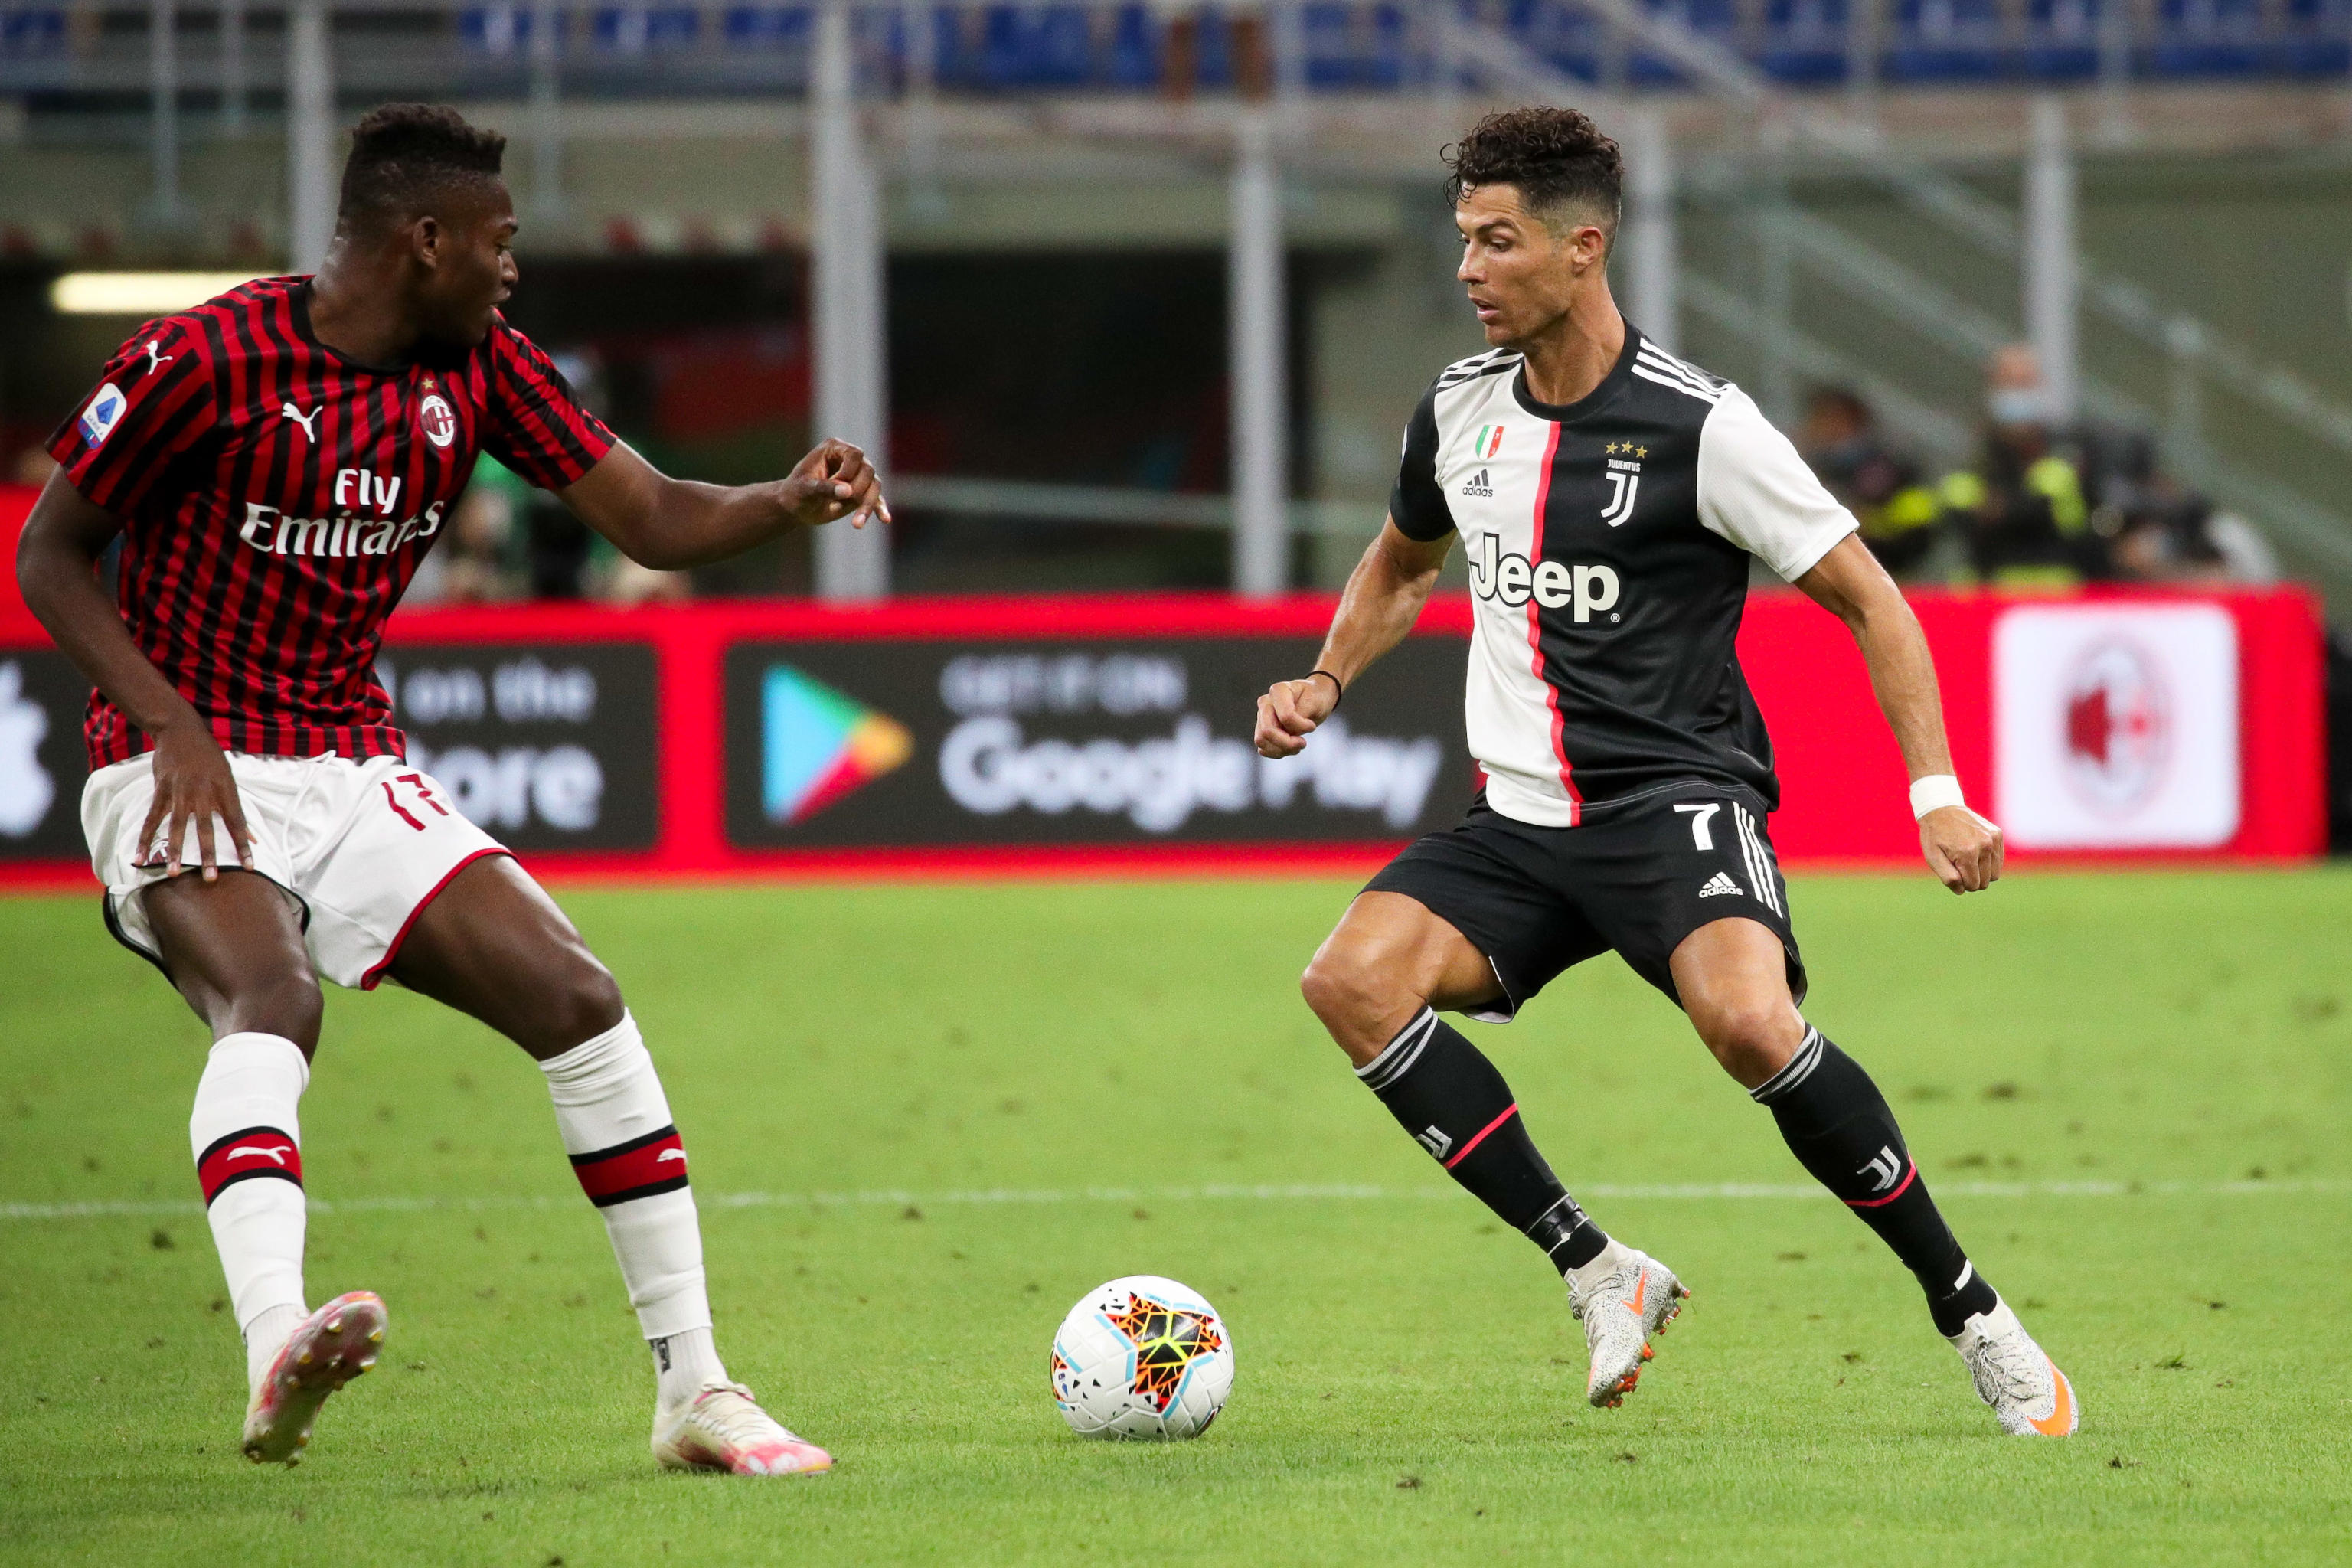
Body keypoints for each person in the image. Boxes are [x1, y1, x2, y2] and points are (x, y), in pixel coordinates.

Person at [15, 103, 888, 1474]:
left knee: (581, 1002)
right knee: (273, 997)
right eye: (501, 241)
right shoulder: (206, 354)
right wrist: (166, 721)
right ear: (425, 241)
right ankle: (272, 1350)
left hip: (348, 762)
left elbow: (648, 516)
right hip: (175, 760)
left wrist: (786, 498)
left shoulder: (482, 364)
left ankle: (695, 1394)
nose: (513, 267)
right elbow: (52, 556)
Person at [1253, 107, 2077, 1438]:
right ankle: (1598, 1268)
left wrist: (1934, 792)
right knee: (1349, 981)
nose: (1468, 269)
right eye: (1462, 239)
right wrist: (1325, 679)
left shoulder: (1706, 429)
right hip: (1517, 823)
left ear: (1583, 249)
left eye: (1497, 241)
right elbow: (1402, 565)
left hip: (1672, 804)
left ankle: (1971, 1308)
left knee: (1750, 1026)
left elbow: (1875, 602)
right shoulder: (1458, 412)